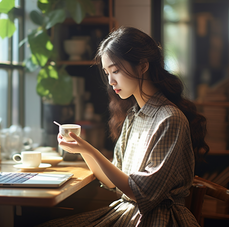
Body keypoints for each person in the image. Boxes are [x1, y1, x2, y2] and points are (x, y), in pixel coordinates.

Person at [38, 26, 209, 226]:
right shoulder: (134, 116)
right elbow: (112, 181)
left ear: (143, 65)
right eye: (107, 72)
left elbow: (140, 192)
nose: (111, 81)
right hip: (130, 212)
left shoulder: (170, 119)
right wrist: (83, 149)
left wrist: (90, 149)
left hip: (156, 219)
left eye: (116, 71)